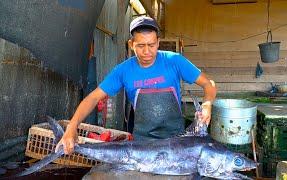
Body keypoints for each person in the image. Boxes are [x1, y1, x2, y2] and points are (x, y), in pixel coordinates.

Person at [56, 16, 216, 155]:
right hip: (141, 145)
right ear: (132, 44)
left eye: (152, 45)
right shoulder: (123, 71)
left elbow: (208, 84)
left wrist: (207, 104)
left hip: (177, 142)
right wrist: (72, 126)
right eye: (141, 46)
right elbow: (93, 97)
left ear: (158, 42)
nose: (147, 51)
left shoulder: (174, 61)